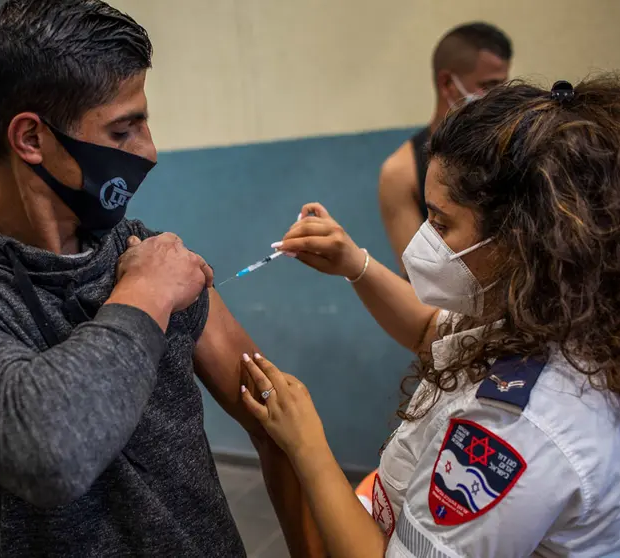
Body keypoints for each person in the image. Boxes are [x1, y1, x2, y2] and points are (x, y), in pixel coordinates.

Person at [0, 1, 323, 556]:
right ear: (31, 139)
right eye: (122, 130)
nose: (148, 151)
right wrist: (147, 294)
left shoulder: (143, 250)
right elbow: (50, 454)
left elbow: (275, 419)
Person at [247, 78, 620, 557]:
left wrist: (307, 445)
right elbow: (433, 332)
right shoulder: (551, 311)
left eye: (442, 222)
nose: (425, 238)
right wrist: (354, 264)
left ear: (523, 241)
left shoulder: (516, 430)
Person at [379, 22, 512, 275]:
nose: (500, 96)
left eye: (504, 84)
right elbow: (420, 279)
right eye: (489, 85)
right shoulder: (400, 173)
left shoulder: (510, 149)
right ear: (448, 83)